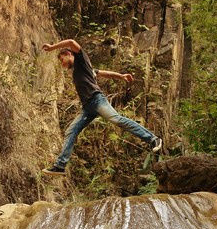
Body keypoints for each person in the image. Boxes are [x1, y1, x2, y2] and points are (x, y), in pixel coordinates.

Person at [41, 39, 162, 176]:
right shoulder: (83, 69)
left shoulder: (81, 59)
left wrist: (52, 47)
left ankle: (153, 139)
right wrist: (121, 76)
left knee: (117, 120)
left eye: (62, 59)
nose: (62, 63)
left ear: (70, 54)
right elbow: (104, 73)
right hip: (88, 107)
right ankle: (60, 166)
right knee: (71, 131)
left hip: (97, 100)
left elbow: (71, 42)